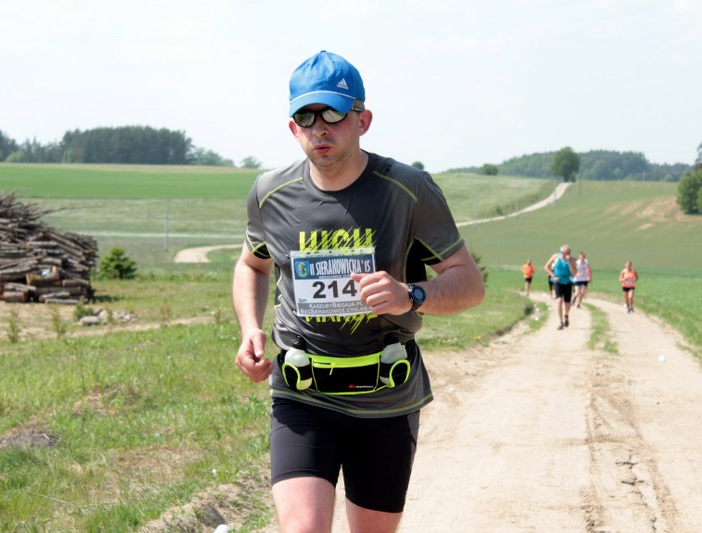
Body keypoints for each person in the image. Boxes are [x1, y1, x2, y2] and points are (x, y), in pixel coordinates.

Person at [232, 50, 485, 533]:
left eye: (333, 114)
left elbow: (470, 283)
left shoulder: (409, 190)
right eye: (306, 117)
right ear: (293, 128)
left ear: (362, 120)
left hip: (386, 396)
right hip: (302, 392)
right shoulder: (269, 193)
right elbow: (252, 264)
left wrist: (411, 295)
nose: (320, 128)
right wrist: (250, 329)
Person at [544, 245, 577, 330]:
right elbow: (546, 267)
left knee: (567, 303)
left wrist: (569, 262)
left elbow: (574, 273)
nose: (569, 254)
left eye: (569, 252)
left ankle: (566, 315)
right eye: (567, 252)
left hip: (568, 282)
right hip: (557, 282)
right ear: (562, 252)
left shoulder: (572, 260)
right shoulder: (555, 257)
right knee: (559, 301)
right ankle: (560, 322)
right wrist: (553, 276)